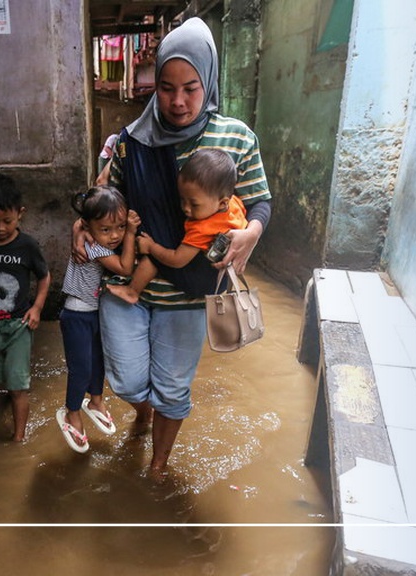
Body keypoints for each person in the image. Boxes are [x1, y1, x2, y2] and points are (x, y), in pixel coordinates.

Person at [75, 17, 272, 474]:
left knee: (173, 389)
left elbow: (260, 200)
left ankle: (158, 465)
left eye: (191, 87)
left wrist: (252, 232)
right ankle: (143, 411)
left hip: (189, 293)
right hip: (129, 279)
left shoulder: (237, 138)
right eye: (166, 87)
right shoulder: (131, 143)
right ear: (154, 84)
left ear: (209, 81)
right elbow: (108, 203)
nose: (178, 101)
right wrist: (80, 224)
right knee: (125, 380)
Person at [56, 186, 141, 453]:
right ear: (88, 228)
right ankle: (71, 412)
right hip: (77, 315)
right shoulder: (93, 246)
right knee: (80, 368)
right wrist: (130, 232)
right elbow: (126, 268)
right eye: (106, 229)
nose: (114, 235)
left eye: (118, 227)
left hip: (94, 313)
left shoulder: (93, 237)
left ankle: (95, 401)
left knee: (98, 362)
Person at [0, 174, 51, 443]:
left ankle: (18, 440)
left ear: (20, 214)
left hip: (18, 326)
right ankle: (12, 397)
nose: (0, 228)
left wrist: (37, 308)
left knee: (17, 387)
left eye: (7, 221)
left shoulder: (27, 246)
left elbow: (44, 276)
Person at [107, 148, 245, 304]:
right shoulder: (234, 205)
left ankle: (132, 291)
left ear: (222, 202)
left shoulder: (202, 229)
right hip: (220, 275)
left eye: (194, 204)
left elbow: (177, 259)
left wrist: (151, 247)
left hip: (198, 277)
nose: (186, 208)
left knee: (153, 260)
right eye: (182, 200)